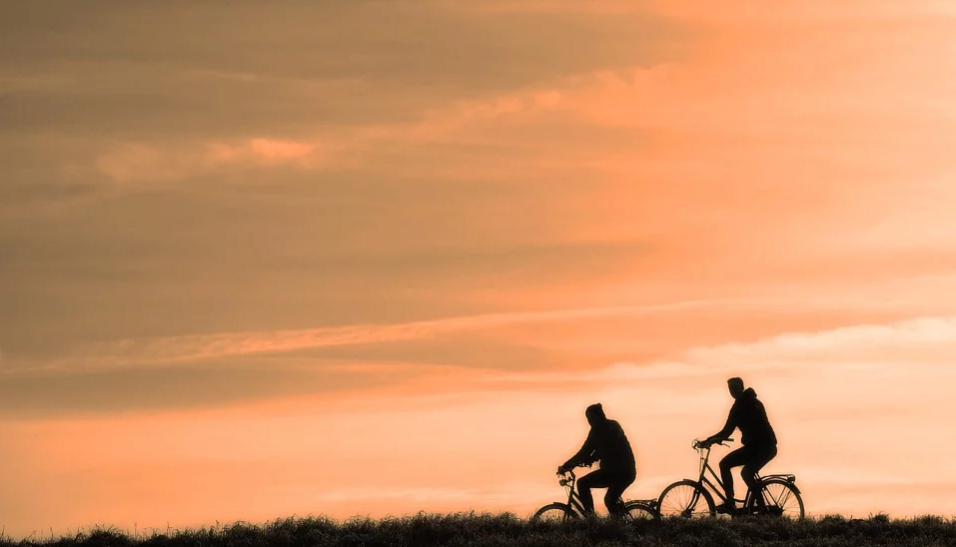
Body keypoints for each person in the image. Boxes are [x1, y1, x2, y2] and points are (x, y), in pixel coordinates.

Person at [701, 377, 778, 514]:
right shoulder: (753, 401)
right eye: (730, 389)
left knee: (732, 467)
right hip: (764, 446)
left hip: (761, 447)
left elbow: (727, 431)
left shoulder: (741, 405)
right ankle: (753, 506)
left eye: (734, 388)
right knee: (743, 471)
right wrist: (712, 439)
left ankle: (746, 505)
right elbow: (727, 431)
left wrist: (709, 440)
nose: (732, 391)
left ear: (741, 387)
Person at [557, 403, 636, 517]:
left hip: (617, 472)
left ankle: (591, 519)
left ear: (597, 416)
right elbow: (603, 448)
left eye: (590, 418)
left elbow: (586, 450)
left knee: (583, 483)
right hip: (624, 472)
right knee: (610, 500)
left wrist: (566, 466)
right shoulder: (612, 426)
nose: (589, 421)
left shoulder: (599, 430)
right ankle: (617, 523)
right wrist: (589, 459)